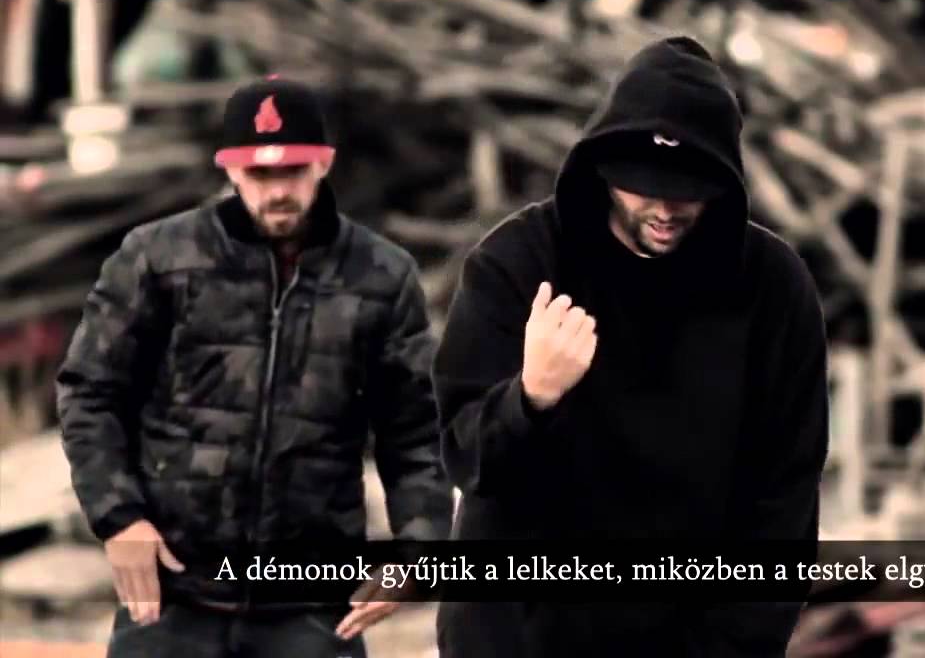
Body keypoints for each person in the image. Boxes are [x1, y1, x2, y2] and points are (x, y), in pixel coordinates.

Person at [431, 36, 831, 657]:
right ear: (604, 167)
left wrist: (732, 646)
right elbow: (468, 460)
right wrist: (530, 398)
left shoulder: (774, 290)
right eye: (643, 186)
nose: (665, 208)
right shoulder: (518, 263)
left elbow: (783, 502)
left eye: (687, 189)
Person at [56, 76, 453, 657]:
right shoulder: (158, 259)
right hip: (172, 593)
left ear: (324, 163)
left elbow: (415, 430)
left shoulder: (382, 276)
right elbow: (90, 391)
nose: (278, 191)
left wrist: (418, 547)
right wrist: (118, 517)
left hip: (310, 604)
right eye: (260, 174)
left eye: (293, 171)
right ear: (230, 170)